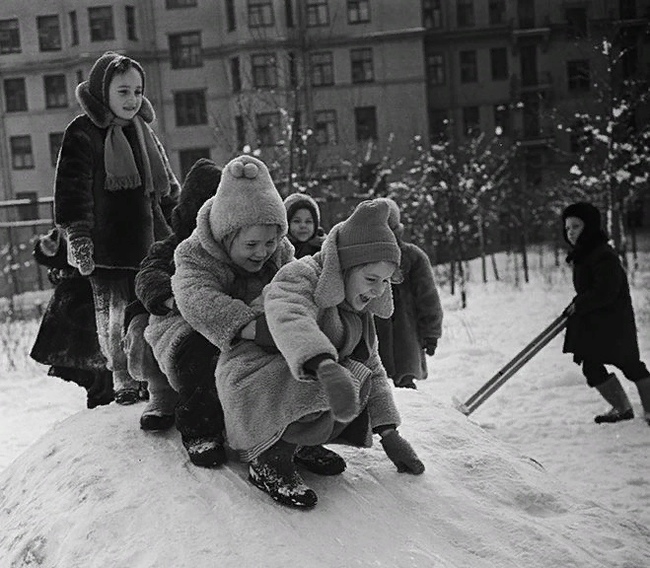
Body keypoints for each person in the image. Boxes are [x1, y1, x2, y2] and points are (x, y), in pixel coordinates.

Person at [215, 199, 425, 510]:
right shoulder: (302, 275)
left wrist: (388, 432)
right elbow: (289, 314)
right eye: (371, 279)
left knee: (358, 376)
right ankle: (268, 459)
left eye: (384, 282)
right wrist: (323, 363)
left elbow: (373, 366)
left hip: (296, 379)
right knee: (334, 380)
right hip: (251, 377)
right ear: (347, 266)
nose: (377, 290)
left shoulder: (358, 309)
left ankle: (300, 444)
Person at [54, 51, 180, 405]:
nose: (132, 100)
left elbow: (168, 188)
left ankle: (150, 376)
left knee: (148, 313)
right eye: (123, 91)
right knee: (113, 317)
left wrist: (182, 226)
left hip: (151, 246)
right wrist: (78, 236)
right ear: (102, 91)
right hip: (107, 247)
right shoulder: (83, 132)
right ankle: (122, 376)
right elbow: (71, 190)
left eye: (138, 91)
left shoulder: (144, 133)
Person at [161, 154, 298, 467]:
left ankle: (292, 431)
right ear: (226, 237)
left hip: (258, 326)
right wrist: (250, 327)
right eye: (251, 245)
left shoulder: (280, 252)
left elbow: (294, 283)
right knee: (199, 355)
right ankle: (200, 428)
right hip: (192, 325)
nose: (262, 252)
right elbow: (196, 297)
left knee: (284, 357)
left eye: (270, 242)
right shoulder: (195, 252)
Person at [124, 158, 222, 439]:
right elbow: (148, 274)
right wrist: (169, 298)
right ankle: (160, 394)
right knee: (143, 330)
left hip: (206, 313)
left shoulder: (226, 248)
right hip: (163, 311)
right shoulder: (170, 246)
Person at [562, 202, 650, 425]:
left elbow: (606, 290)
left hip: (614, 324)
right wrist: (578, 304)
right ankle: (621, 409)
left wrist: (580, 303)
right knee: (591, 365)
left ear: (589, 227)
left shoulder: (603, 255)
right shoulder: (585, 253)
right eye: (568, 227)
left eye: (576, 226)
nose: (570, 232)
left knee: (630, 365)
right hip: (596, 322)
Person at [30, 228, 114, 409]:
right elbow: (55, 250)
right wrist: (52, 249)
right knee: (95, 366)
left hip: (112, 287)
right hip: (81, 299)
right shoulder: (79, 209)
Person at [373, 198, 443, 389]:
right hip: (373, 337)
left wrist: (431, 333)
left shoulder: (412, 257)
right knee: (376, 385)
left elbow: (428, 298)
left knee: (405, 385)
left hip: (405, 336)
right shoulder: (364, 258)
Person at [284, 192, 326, 258]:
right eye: (296, 221)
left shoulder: (324, 250)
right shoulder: (280, 251)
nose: (303, 226)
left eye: (308, 221)